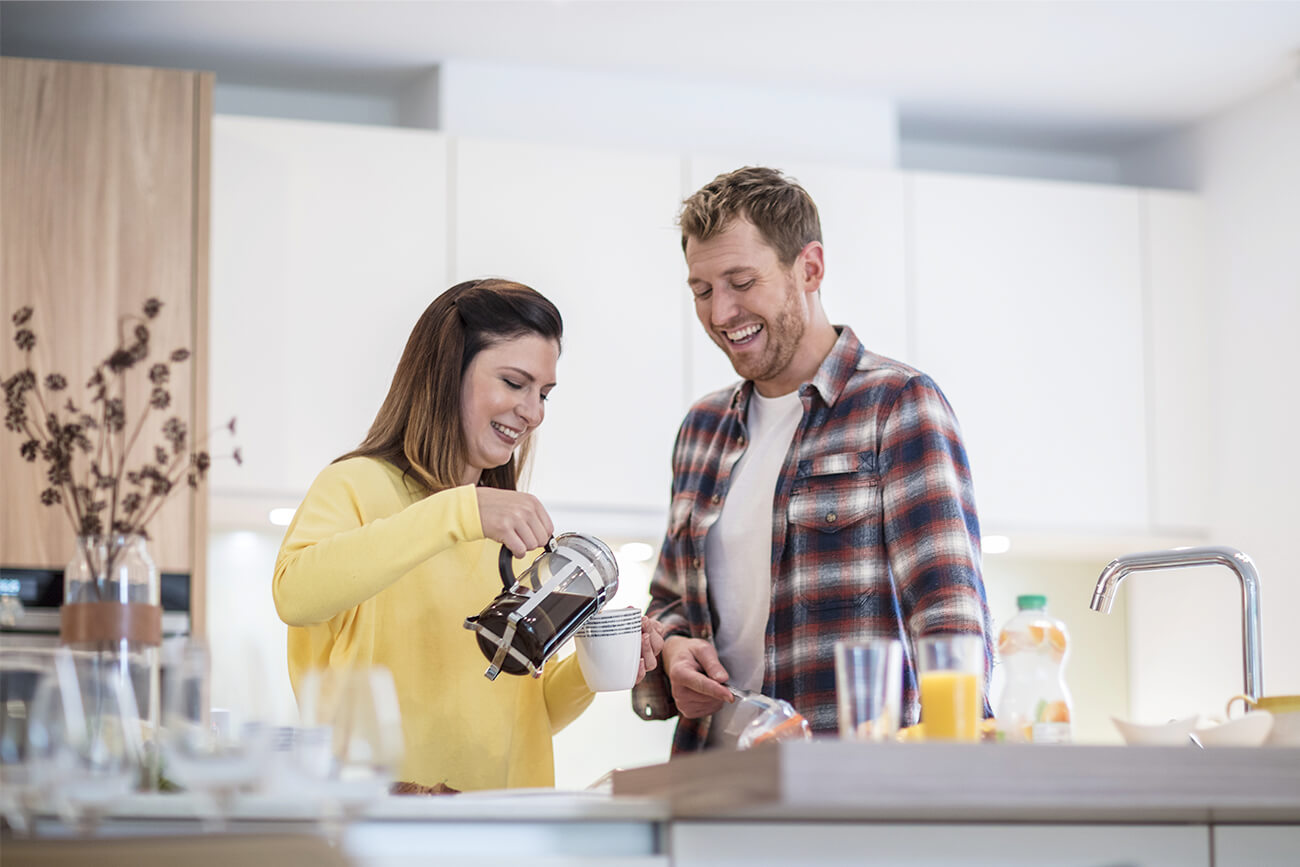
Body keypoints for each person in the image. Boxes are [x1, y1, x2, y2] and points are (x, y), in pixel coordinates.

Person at [632, 167, 994, 752]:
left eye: (741, 282)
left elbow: (948, 613)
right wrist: (673, 649)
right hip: (714, 779)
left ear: (810, 268)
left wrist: (956, 770)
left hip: (850, 785)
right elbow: (671, 602)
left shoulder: (897, 405)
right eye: (702, 290)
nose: (721, 313)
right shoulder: (702, 429)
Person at [273, 278, 664, 790]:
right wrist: (458, 511)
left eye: (543, 393)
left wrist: (594, 668)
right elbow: (294, 595)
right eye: (514, 382)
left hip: (503, 828)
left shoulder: (498, 527)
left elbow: (522, 718)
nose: (535, 412)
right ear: (445, 374)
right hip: (385, 828)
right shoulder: (357, 486)